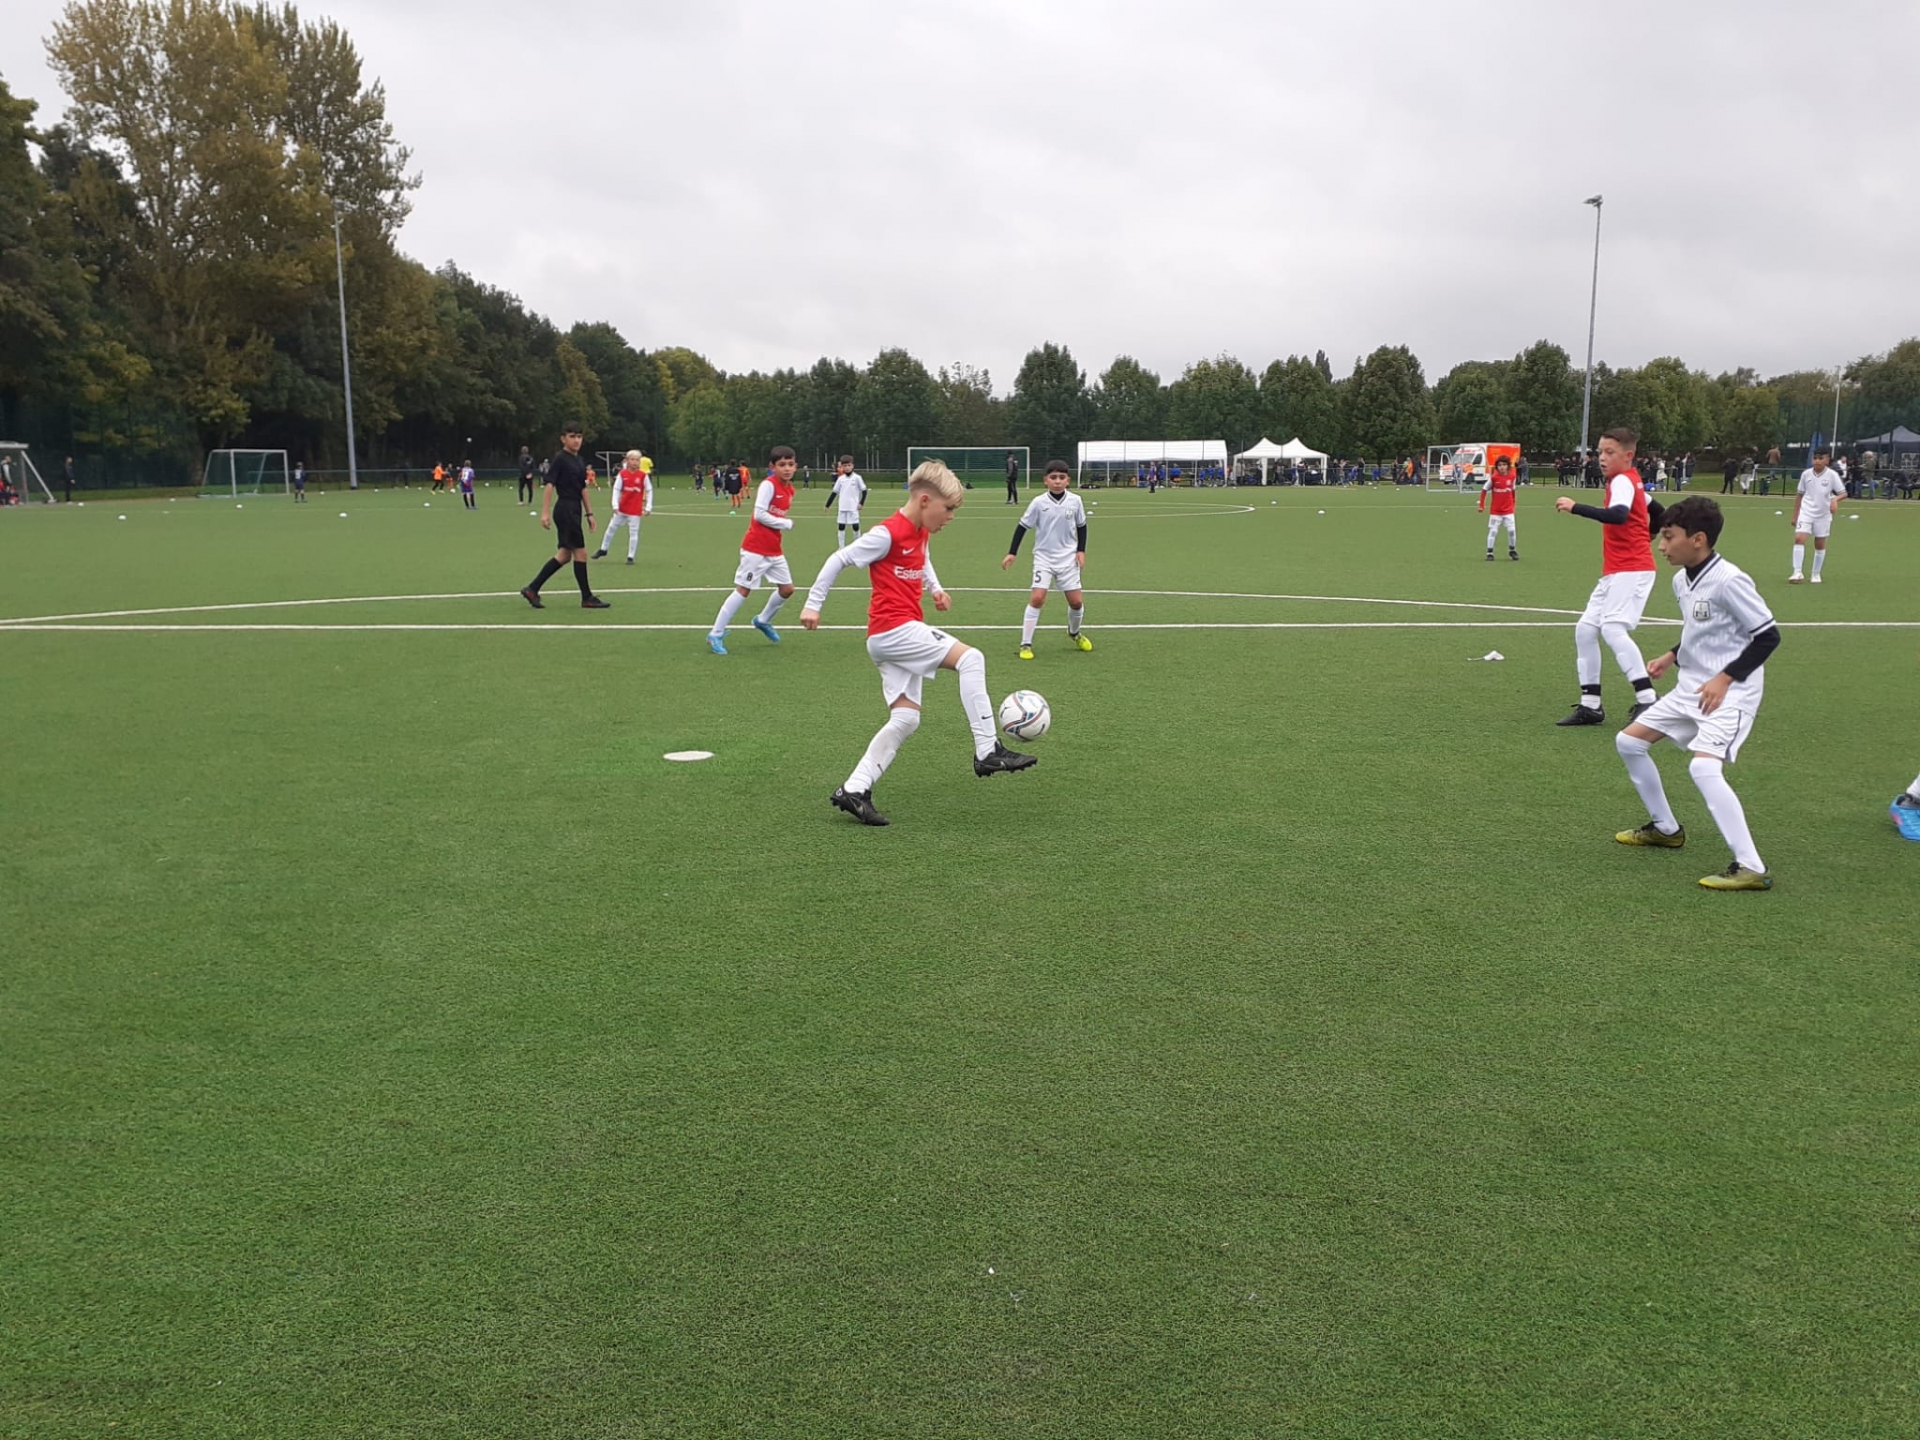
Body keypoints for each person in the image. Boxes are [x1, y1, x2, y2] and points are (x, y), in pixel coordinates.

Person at [800, 459, 1036, 826]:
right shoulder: (888, 533)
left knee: (906, 719)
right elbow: (839, 558)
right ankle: (987, 749)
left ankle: (854, 789)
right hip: (893, 630)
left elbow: (922, 560)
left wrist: (936, 589)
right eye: (949, 508)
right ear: (925, 500)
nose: (951, 517)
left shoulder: (919, 531)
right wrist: (813, 604)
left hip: (893, 635)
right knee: (971, 659)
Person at [1611, 495, 1780, 890]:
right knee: (1629, 742)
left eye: (1669, 536)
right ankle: (1665, 829)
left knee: (1703, 768)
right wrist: (1672, 655)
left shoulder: (1730, 580)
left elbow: (1767, 636)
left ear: (1698, 539)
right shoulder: (1680, 579)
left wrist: (1725, 678)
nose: (1661, 545)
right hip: (1691, 687)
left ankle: (1752, 866)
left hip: (1730, 694)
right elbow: (1701, 629)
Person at [1553, 427, 1664, 726]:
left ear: (1628, 455)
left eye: (1609, 452)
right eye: (1600, 451)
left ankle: (1648, 700)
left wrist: (1575, 507)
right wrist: (1652, 533)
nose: (1602, 457)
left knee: (1613, 629)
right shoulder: (1630, 481)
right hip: (1617, 570)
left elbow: (1618, 515)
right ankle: (1591, 705)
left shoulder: (1623, 482)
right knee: (1586, 629)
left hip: (1632, 569)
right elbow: (1659, 511)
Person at [707, 445, 799, 654]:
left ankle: (763, 620)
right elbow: (759, 514)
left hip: (773, 548)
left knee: (787, 589)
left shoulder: (790, 489)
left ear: (796, 466)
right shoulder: (768, 485)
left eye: (790, 464)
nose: (787, 468)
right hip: (755, 548)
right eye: (782, 465)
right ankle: (715, 633)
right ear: (772, 467)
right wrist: (784, 523)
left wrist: (780, 525)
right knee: (743, 590)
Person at [1003, 459, 1092, 659]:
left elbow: (1082, 526)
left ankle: (1074, 633)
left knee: (1076, 602)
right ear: (1046, 480)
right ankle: (1026, 644)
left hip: (1068, 559)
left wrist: (1081, 550)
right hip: (1044, 558)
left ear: (1068, 480)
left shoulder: (1075, 501)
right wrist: (1012, 552)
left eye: (1061, 477)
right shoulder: (1038, 502)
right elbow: (1022, 526)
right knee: (1037, 598)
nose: (1057, 481)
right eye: (1053, 477)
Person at [519, 422, 610, 610]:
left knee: (564, 555)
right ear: (563, 439)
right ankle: (587, 597)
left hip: (575, 509)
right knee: (581, 553)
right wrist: (544, 512)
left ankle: (532, 588)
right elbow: (549, 485)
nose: (576, 440)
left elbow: (583, 488)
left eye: (579, 436)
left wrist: (589, 513)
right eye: (572, 436)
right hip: (565, 509)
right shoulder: (560, 459)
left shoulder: (579, 460)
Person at [1789, 448, 1848, 584]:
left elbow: (1843, 493)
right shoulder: (1806, 474)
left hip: (1823, 514)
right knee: (1799, 538)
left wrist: (1834, 500)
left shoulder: (1832, 475)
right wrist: (1795, 515)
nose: (1817, 461)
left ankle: (1816, 574)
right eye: (1815, 458)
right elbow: (1800, 495)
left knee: (1819, 543)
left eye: (1821, 458)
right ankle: (1797, 572)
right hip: (1806, 512)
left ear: (1827, 460)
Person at [593, 450, 652, 563]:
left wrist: (648, 507)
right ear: (627, 461)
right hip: (622, 509)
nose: (635, 462)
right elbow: (616, 489)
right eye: (632, 460)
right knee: (611, 528)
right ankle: (603, 549)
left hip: (635, 510)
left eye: (637, 460)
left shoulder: (643, 476)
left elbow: (649, 490)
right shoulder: (622, 474)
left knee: (633, 532)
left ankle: (630, 557)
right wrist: (615, 504)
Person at [1479, 454, 1519, 560]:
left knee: (1512, 531)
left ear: (1508, 466)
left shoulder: (1512, 477)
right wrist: (1481, 505)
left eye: (1504, 465)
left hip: (1508, 511)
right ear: (1497, 467)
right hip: (1496, 511)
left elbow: (1513, 491)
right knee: (1493, 531)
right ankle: (1489, 553)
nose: (1502, 467)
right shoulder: (1494, 478)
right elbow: (1484, 490)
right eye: (1500, 465)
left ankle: (1512, 550)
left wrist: (1513, 505)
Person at [825, 454, 868, 545]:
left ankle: (857, 545)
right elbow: (834, 493)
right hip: (842, 506)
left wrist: (861, 503)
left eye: (849, 465)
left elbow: (864, 491)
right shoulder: (840, 479)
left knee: (855, 526)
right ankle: (841, 547)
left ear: (852, 466)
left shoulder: (857, 478)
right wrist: (827, 505)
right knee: (841, 526)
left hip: (853, 507)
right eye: (845, 466)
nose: (847, 467)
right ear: (842, 467)